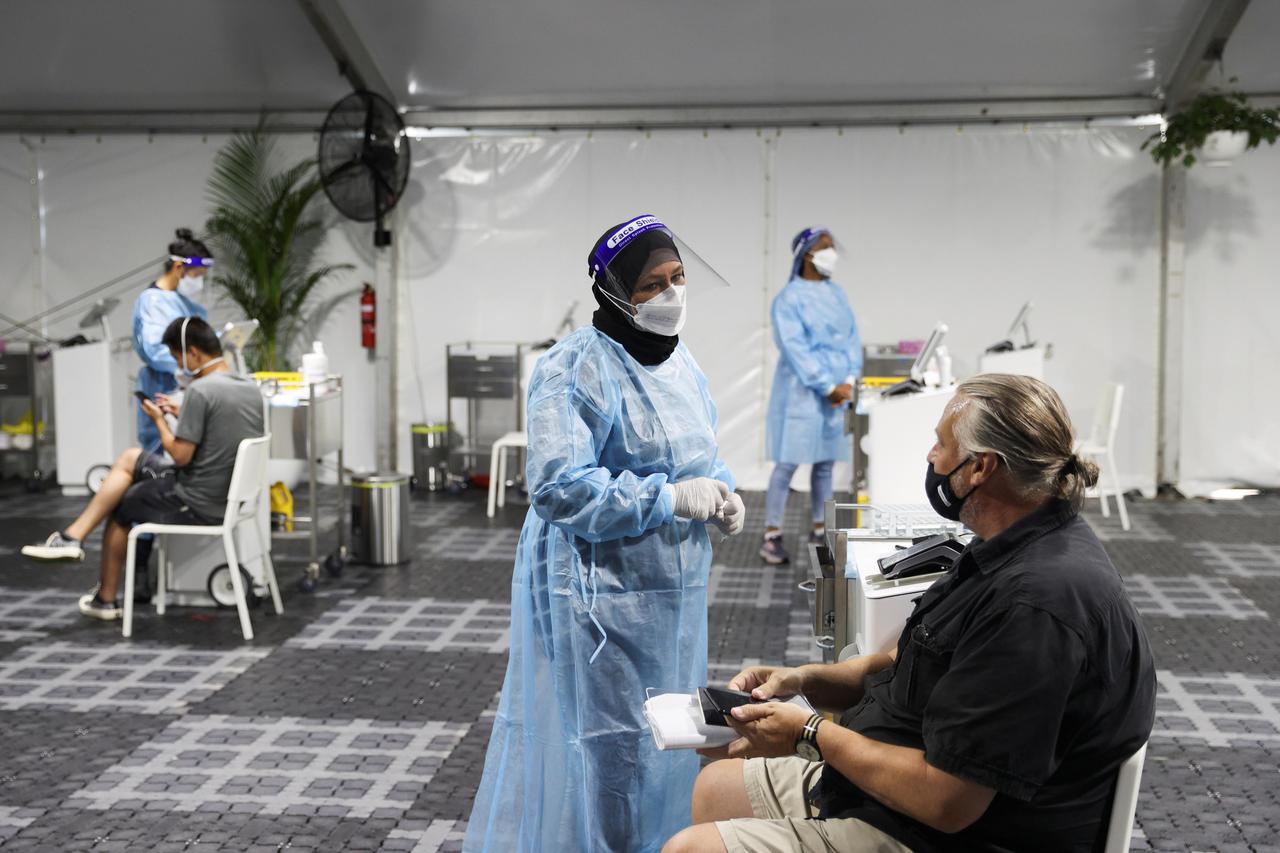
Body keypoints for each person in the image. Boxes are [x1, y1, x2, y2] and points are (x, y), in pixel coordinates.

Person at [665, 374, 1156, 853]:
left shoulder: (1034, 606)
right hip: (901, 791)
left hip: (954, 831)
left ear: (980, 467)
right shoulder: (1007, 549)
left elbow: (947, 802)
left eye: (941, 445)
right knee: (716, 788)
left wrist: (807, 734)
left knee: (691, 848)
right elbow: (901, 662)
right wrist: (805, 680)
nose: (931, 456)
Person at [464, 215, 746, 853]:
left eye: (679, 277)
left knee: (672, 734)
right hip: (599, 594)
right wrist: (667, 498)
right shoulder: (572, 369)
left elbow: (696, 450)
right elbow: (559, 486)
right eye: (653, 284)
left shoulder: (682, 363)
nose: (672, 294)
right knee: (610, 746)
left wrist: (723, 491)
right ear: (615, 293)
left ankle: (662, 843)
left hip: (671, 592)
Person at [22, 317, 264, 621]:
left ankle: (105, 598)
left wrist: (159, 420)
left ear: (193, 353)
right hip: (229, 493)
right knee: (130, 458)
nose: (178, 365)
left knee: (123, 505)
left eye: (177, 357)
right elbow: (221, 427)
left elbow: (180, 456)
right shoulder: (247, 386)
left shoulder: (201, 391)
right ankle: (72, 537)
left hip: (198, 499)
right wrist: (182, 412)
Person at [760, 227, 860, 565]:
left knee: (824, 465)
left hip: (835, 392)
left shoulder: (837, 294)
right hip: (801, 393)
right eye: (825, 248)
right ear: (807, 255)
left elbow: (851, 339)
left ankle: (820, 527)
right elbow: (795, 349)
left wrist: (848, 379)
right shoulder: (788, 300)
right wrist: (826, 386)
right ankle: (771, 534)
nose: (832, 253)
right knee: (787, 463)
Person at [133, 228, 212, 452]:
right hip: (162, 385)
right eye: (197, 275)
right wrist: (187, 367)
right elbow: (155, 349)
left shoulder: (185, 303)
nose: (200, 282)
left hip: (187, 385)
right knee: (161, 454)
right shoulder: (152, 302)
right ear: (179, 268)